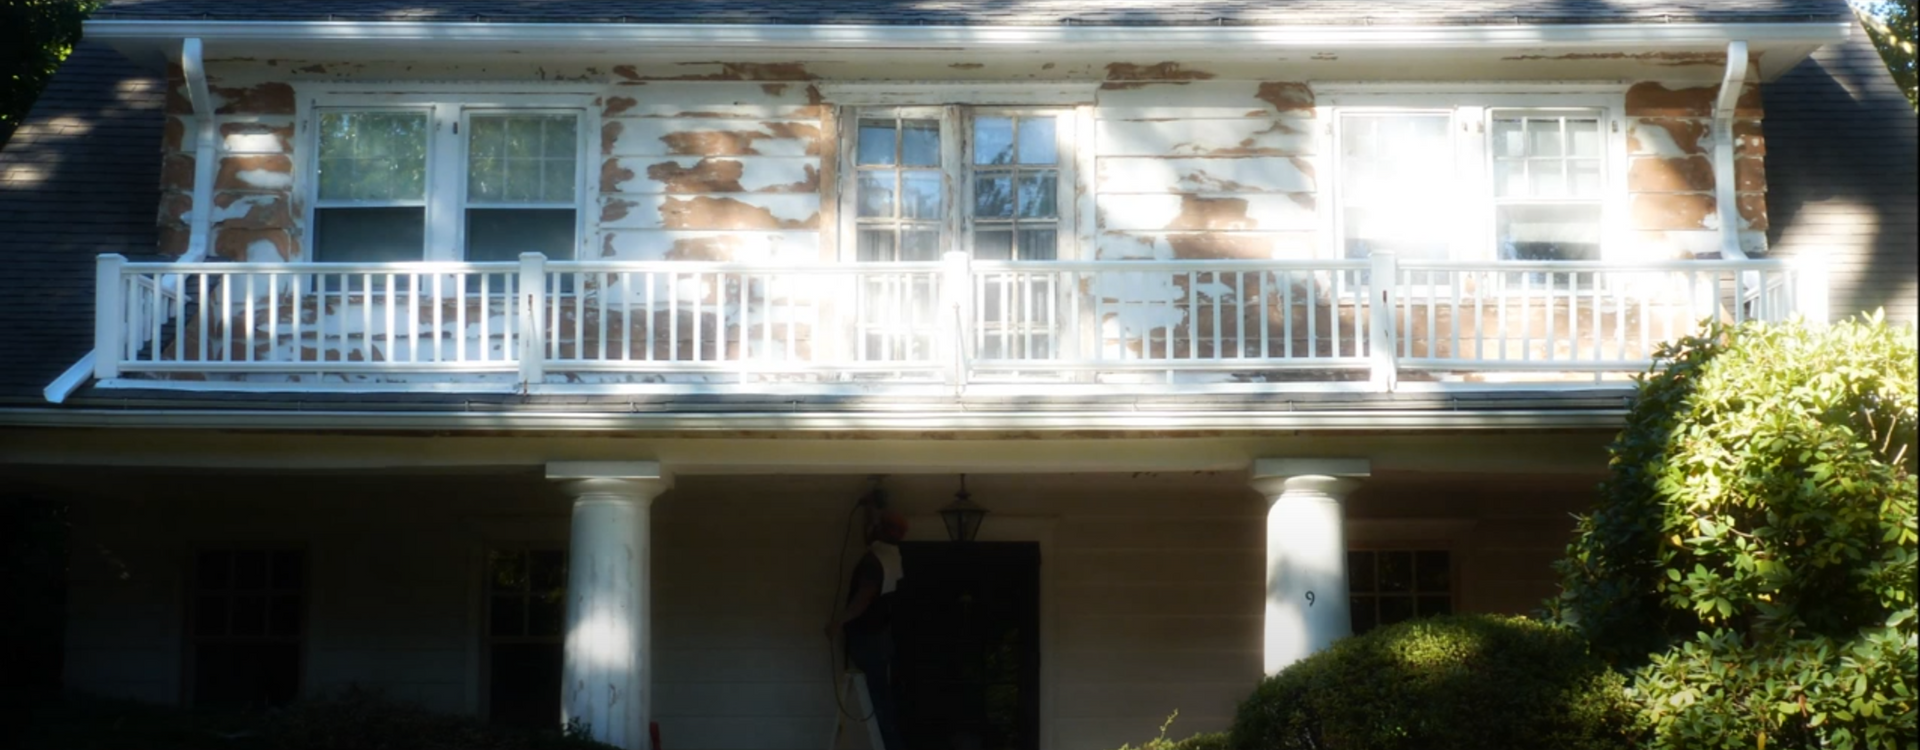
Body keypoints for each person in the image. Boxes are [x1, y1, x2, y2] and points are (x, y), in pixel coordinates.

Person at [827, 510, 908, 750]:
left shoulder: (874, 561)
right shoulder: (891, 555)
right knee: (880, 695)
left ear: (880, 530)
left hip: (869, 637)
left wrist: (838, 622)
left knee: (876, 697)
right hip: (880, 635)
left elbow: (863, 598)